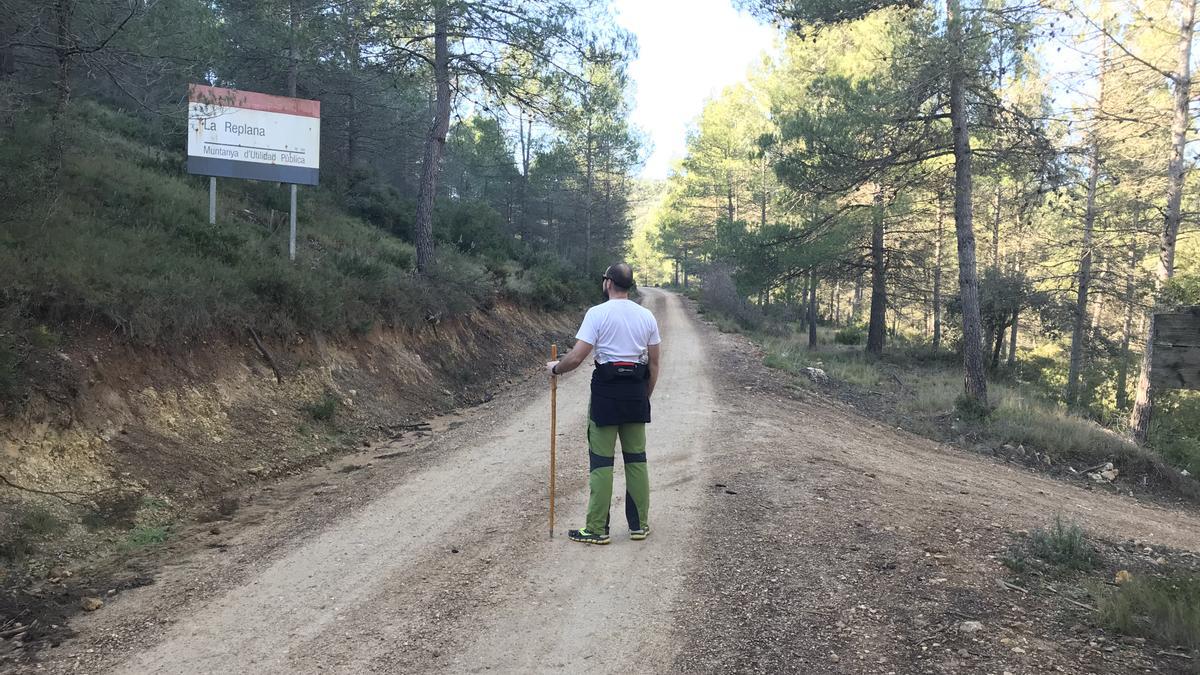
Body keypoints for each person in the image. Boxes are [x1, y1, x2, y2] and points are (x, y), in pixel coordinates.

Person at [546, 263, 661, 545]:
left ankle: (597, 529)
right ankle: (639, 526)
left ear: (608, 283)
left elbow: (575, 358)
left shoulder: (597, 314)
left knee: (601, 464)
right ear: (629, 285)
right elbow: (655, 363)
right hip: (635, 392)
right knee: (636, 460)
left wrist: (555, 369)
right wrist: (643, 396)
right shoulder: (646, 316)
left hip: (606, 396)